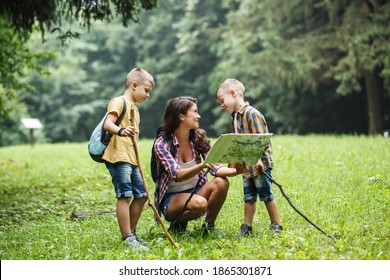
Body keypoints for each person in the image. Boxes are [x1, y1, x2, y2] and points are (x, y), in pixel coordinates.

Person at [153, 96, 245, 234]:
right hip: (172, 199)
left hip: (197, 190)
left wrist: (235, 171)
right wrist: (202, 166)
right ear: (181, 117)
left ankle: (209, 225)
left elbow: (214, 166)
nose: (198, 116)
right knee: (200, 204)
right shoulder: (162, 144)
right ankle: (178, 221)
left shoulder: (197, 138)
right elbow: (177, 175)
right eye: (195, 112)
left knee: (221, 182)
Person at [215, 79, 283, 236]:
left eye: (222, 100)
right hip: (246, 165)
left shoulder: (252, 114)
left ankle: (276, 224)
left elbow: (261, 139)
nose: (222, 105)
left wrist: (257, 158)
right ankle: (247, 227)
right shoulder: (235, 117)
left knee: (266, 194)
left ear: (233, 93)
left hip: (260, 164)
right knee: (249, 196)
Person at [102, 67, 154, 249]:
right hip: (118, 157)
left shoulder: (135, 109)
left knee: (141, 195)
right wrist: (121, 130)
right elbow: (108, 124)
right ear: (134, 85)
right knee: (125, 195)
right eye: (146, 90)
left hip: (132, 158)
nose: (148, 95)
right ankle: (127, 237)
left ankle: (131, 234)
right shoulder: (119, 101)